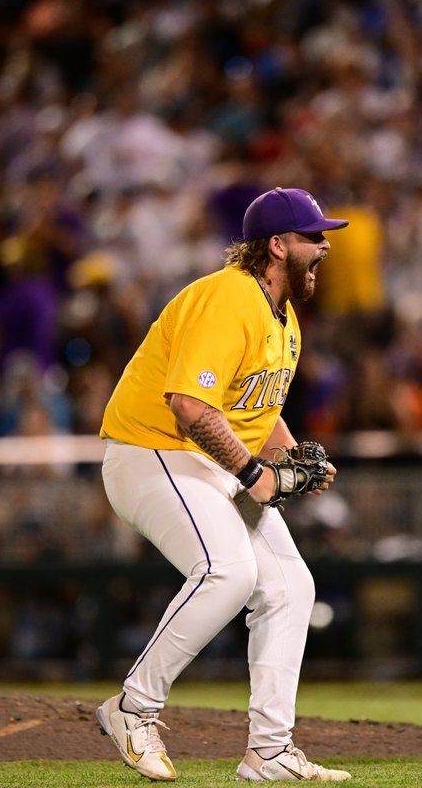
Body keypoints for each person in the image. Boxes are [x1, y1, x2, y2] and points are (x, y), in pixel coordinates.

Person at [94, 187, 352, 782]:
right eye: (314, 236)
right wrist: (255, 474)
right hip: (148, 450)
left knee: (290, 585)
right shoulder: (228, 296)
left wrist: (288, 454)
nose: (325, 245)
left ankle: (269, 752)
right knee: (228, 570)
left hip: (198, 462)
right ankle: (134, 710)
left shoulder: (281, 317)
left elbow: (251, 414)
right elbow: (188, 404)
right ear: (278, 245)